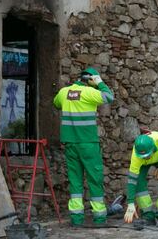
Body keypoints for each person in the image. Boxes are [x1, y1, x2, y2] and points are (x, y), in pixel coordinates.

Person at [53, 67, 114, 227]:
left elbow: (56, 104)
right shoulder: (89, 93)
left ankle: (76, 219)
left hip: (70, 144)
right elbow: (109, 97)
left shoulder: (63, 92)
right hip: (88, 143)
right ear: (91, 80)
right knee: (95, 178)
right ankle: (99, 218)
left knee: (75, 180)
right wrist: (100, 83)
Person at [124, 131, 158, 227]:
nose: (146, 157)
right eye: (143, 156)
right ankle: (148, 215)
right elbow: (131, 180)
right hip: (144, 165)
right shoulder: (136, 156)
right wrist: (130, 203)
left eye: (147, 155)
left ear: (153, 148)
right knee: (138, 181)